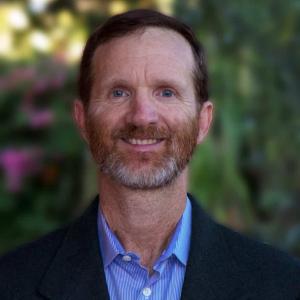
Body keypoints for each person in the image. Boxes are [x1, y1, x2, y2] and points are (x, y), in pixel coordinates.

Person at [0, 9, 299, 300]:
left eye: (166, 92)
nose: (142, 117)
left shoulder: (284, 285)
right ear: (82, 120)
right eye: (119, 92)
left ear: (203, 122)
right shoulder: (10, 283)